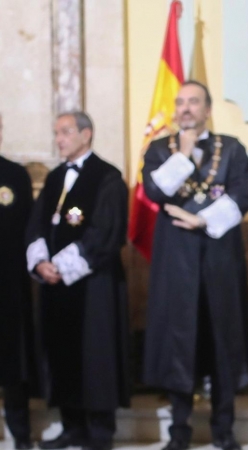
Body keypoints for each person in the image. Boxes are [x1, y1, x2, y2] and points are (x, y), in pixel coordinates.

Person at [141, 80, 248, 450]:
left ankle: (224, 430)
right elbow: (155, 192)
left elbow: (243, 195)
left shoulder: (232, 148)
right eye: (181, 102)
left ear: (208, 110)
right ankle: (179, 431)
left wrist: (202, 219)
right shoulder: (160, 149)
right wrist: (182, 155)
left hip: (220, 259)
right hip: (176, 261)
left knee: (222, 339)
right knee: (179, 341)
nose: (185, 108)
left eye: (194, 102)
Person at [25, 111, 130, 450]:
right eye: (56, 133)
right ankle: (72, 427)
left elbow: (107, 232)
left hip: (94, 285)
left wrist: (62, 266)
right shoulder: (55, 178)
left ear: (86, 135)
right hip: (56, 287)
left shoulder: (108, 177)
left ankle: (99, 432)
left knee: (95, 355)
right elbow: (38, 224)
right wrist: (40, 261)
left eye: (66, 132)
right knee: (61, 351)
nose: (59, 139)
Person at [0, 112, 36, 450]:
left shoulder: (14, 175)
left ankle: (21, 435)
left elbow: (30, 228)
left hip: (9, 286)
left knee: (14, 363)